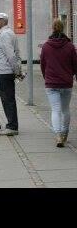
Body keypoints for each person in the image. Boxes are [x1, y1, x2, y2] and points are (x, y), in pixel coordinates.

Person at [40, 18, 77, 147]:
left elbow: (43, 65)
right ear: (64, 28)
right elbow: (75, 65)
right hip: (66, 83)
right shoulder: (70, 46)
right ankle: (65, 133)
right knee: (65, 109)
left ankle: (58, 135)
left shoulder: (46, 46)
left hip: (51, 83)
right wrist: (71, 75)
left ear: (52, 28)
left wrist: (47, 78)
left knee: (55, 110)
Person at [0, 12, 21, 137]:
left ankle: (12, 126)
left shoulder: (4, 35)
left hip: (5, 72)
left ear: (4, 21)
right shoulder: (5, 34)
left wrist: (17, 71)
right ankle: (11, 124)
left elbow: (11, 55)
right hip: (3, 71)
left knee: (7, 100)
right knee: (7, 99)